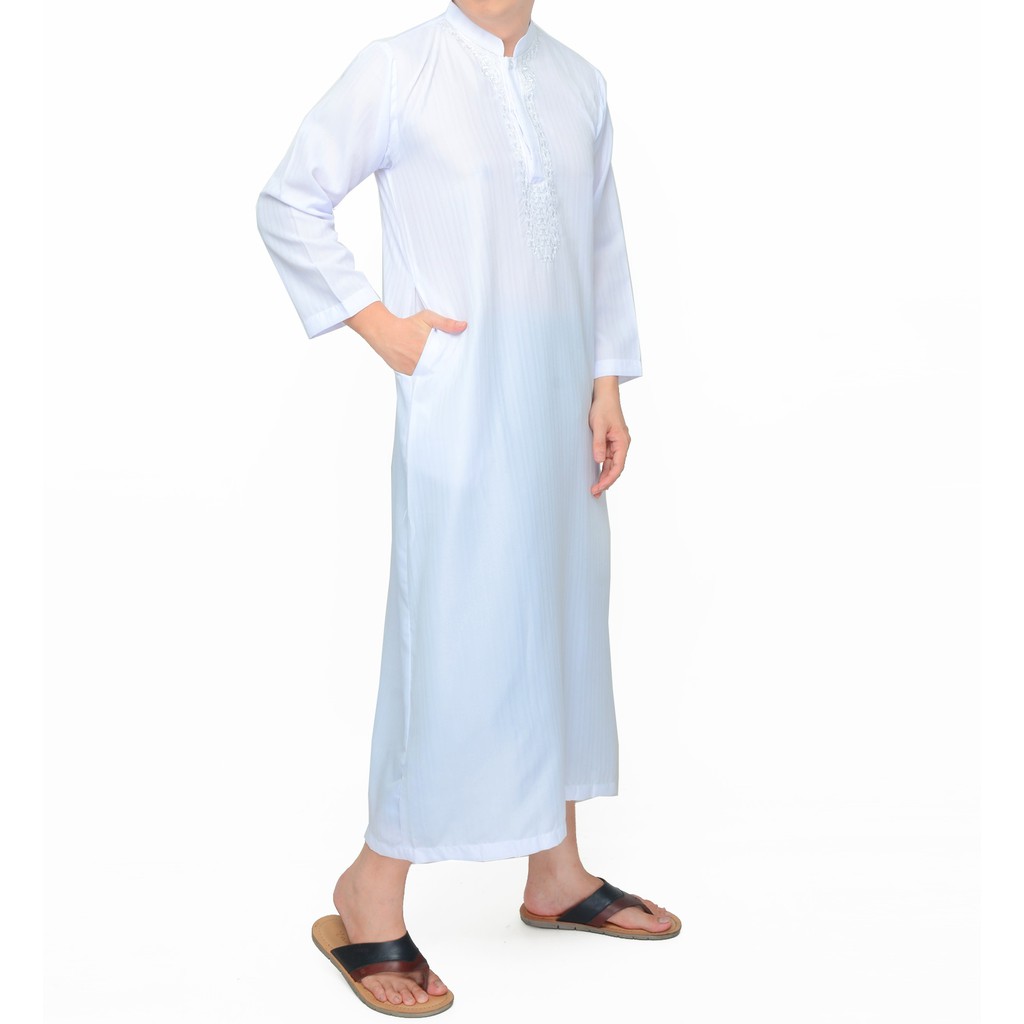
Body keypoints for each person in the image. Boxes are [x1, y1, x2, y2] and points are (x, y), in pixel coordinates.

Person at [256, 0, 679, 1015]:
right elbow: (288, 201)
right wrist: (378, 324)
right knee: (453, 633)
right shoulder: (399, 68)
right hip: (462, 401)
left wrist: (607, 382)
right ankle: (369, 891)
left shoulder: (578, 82)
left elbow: (600, 242)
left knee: (562, 623)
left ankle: (556, 874)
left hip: (561, 403)